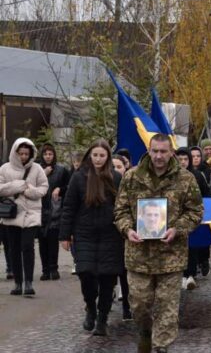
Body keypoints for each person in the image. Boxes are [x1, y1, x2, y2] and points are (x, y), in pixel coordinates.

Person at [114, 134, 203, 353]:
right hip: (138, 255)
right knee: (139, 304)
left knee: (167, 307)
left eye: (163, 151)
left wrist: (178, 229)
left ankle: (162, 346)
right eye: (155, 151)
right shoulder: (132, 177)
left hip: (170, 256)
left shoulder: (185, 179)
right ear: (149, 150)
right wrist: (128, 229)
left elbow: (195, 211)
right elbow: (120, 210)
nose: (159, 156)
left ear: (171, 151)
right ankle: (145, 332)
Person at [59, 139, 124, 336]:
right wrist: (65, 235)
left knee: (107, 277)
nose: (98, 159)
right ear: (90, 155)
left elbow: (122, 205)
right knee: (85, 273)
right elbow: (69, 207)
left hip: (110, 235)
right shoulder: (79, 177)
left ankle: (102, 318)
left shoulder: (115, 177)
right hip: (84, 234)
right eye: (95, 155)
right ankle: (90, 307)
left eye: (102, 155)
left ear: (107, 157)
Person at [0, 137, 48, 296]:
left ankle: (28, 282)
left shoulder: (37, 169)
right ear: (15, 152)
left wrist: (28, 191)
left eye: (26, 153)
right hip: (12, 213)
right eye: (20, 153)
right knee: (13, 249)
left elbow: (43, 188)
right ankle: (17, 283)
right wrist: (19, 186)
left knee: (28, 247)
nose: (23, 157)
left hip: (31, 213)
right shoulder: (5, 169)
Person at [176, 147, 211, 290]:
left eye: (185, 159)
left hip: (191, 217)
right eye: (180, 160)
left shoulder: (197, 175)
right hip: (175, 218)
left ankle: (189, 274)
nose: (183, 162)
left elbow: (207, 192)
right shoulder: (170, 176)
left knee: (192, 246)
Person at [37, 142, 70, 281]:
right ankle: (45, 270)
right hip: (39, 210)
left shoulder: (61, 170)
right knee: (42, 241)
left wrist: (60, 189)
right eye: (45, 154)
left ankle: (53, 268)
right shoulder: (36, 169)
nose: (48, 157)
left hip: (55, 210)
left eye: (50, 154)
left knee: (52, 240)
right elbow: (30, 185)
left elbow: (69, 186)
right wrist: (43, 174)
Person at [111, 154, 133, 321]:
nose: (116, 170)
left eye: (119, 166)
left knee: (125, 274)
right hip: (109, 233)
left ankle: (127, 305)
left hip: (125, 233)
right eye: (113, 167)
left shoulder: (131, 183)